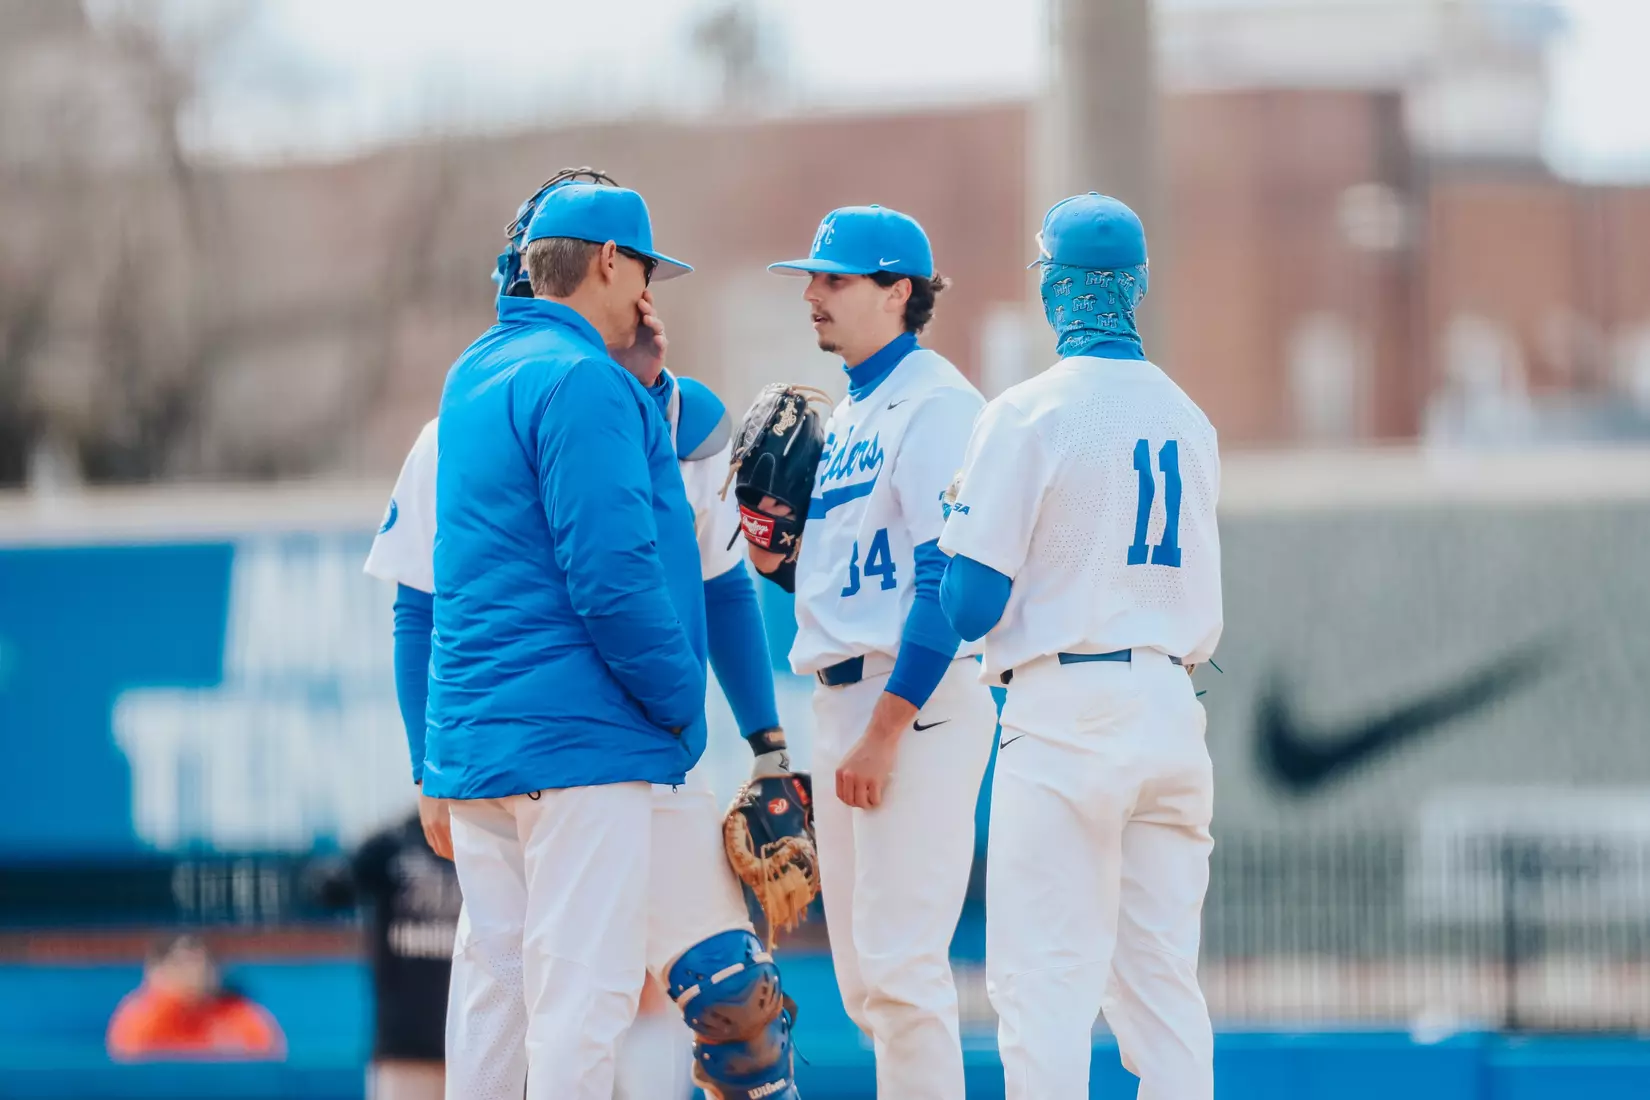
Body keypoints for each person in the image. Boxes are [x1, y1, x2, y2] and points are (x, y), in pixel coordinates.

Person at [369, 175, 798, 1100]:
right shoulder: (579, 385)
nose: (648, 293)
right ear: (607, 262)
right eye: (641, 269)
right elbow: (607, 579)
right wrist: (681, 705)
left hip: (487, 747)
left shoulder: (475, 377)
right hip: (587, 741)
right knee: (582, 1002)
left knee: (499, 991)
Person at [936, 193, 1223, 1100]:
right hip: (1171, 708)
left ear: (1053, 287)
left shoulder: (1026, 412)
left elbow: (967, 606)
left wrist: (956, 520)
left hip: (1065, 708)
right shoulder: (1190, 418)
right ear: (1137, 285)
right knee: (1163, 995)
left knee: (1044, 987)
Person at [743, 205, 996, 1100]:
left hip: (911, 699)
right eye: (812, 277)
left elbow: (946, 580)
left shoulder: (936, 403)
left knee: (900, 971)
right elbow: (852, 583)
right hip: (849, 697)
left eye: (835, 278)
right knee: (865, 983)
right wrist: (779, 563)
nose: (812, 293)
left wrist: (887, 729)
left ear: (898, 292)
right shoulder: (852, 410)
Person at [309, 811, 463, 1100]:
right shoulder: (392, 844)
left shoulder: (486, 838)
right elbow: (330, 890)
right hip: (405, 1046)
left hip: (475, 1044)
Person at [106, 934, 284, 1061]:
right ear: (156, 970)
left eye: (202, 962)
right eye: (182, 963)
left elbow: (268, 1063)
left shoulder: (241, 1015)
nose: (195, 971)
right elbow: (128, 1065)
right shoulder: (140, 1015)